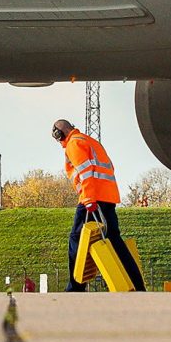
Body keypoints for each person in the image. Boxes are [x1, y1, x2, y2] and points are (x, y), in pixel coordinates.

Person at [54, 118, 145, 291]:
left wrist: (88, 199)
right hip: (108, 197)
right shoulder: (91, 141)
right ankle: (137, 285)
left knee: (76, 239)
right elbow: (110, 167)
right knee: (115, 241)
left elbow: (86, 172)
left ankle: (75, 288)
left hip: (92, 199)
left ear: (59, 134)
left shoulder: (73, 144)